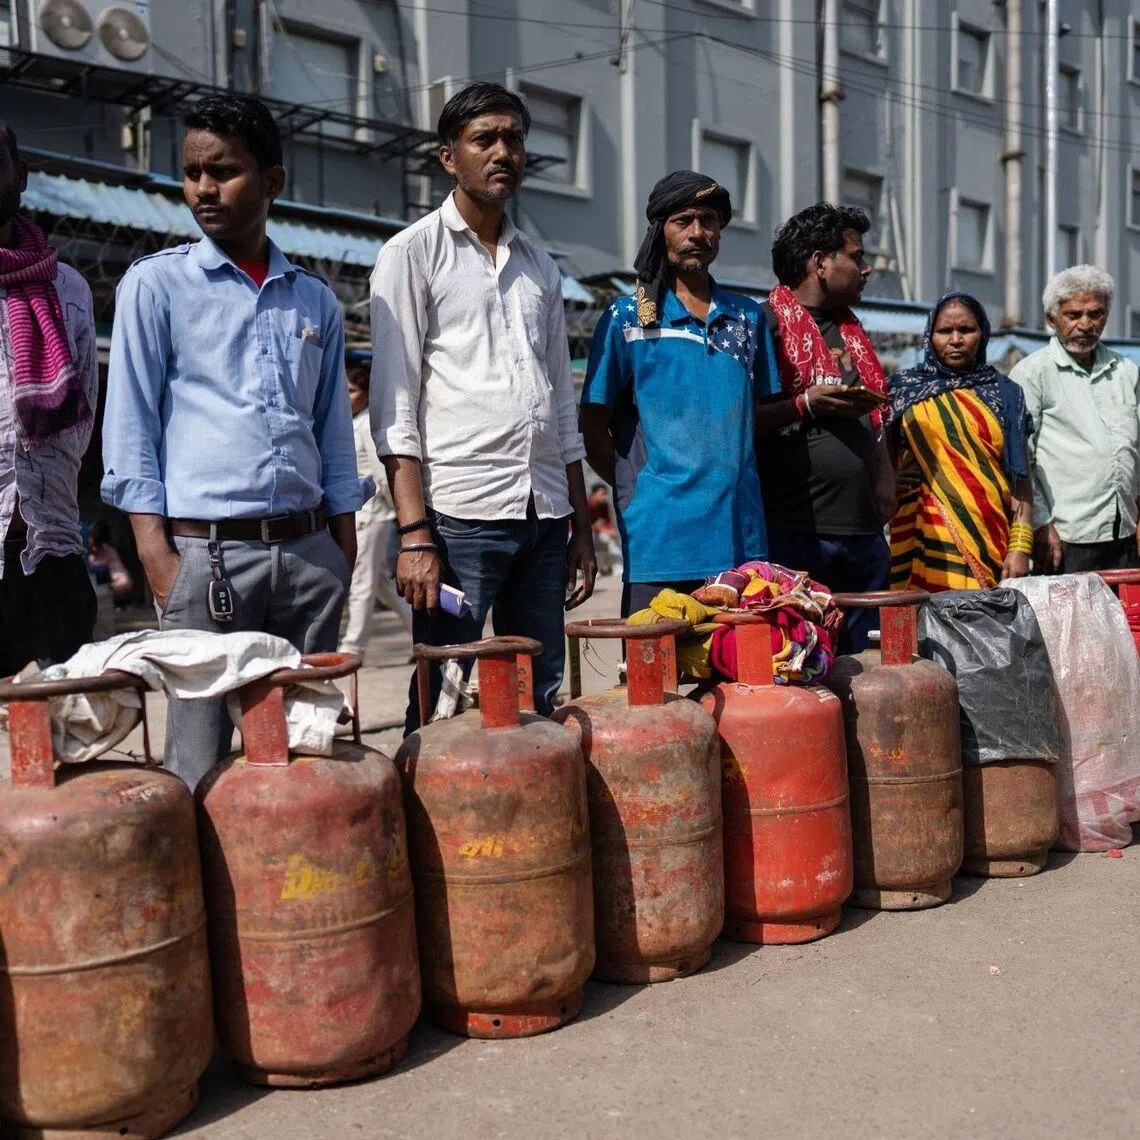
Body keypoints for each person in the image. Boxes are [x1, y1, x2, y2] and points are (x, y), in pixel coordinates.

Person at [101, 93, 360, 788]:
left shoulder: (314, 300)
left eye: (224, 171)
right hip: (204, 558)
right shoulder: (155, 287)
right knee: (196, 764)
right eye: (192, 173)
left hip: (308, 557)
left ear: (272, 181)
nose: (204, 190)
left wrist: (341, 543)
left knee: (305, 755)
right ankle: (207, 898)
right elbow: (130, 429)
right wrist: (158, 558)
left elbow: (333, 427)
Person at [369, 82, 595, 730]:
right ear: (449, 157)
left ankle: (532, 830)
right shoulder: (411, 255)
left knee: (537, 697)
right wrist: (415, 536)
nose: (503, 152)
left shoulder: (540, 268)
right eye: (484, 139)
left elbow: (562, 408)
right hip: (461, 518)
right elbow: (394, 407)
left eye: (514, 139)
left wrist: (578, 523)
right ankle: (434, 829)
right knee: (441, 702)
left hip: (544, 513)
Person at [580, 170, 778, 616]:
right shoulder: (627, 317)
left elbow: (757, 420)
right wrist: (638, 487)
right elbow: (591, 422)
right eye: (682, 221)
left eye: (708, 221)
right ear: (660, 230)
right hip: (659, 537)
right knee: (657, 678)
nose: (697, 233)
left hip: (739, 537)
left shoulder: (747, 319)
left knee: (739, 677)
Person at [756, 202, 894, 653]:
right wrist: (803, 404)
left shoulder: (852, 333)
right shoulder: (763, 326)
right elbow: (739, 422)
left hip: (864, 536)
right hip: (795, 534)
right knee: (800, 662)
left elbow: (874, 417)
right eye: (855, 256)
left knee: (869, 669)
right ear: (820, 262)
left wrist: (884, 474)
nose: (866, 268)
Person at [0, 120, 98, 675]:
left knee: (66, 745)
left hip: (51, 554)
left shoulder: (69, 288)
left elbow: (83, 414)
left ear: (21, 175)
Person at [887, 293, 1034, 591]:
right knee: (917, 629)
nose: (955, 340)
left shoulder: (1007, 395)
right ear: (930, 336)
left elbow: (1021, 479)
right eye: (945, 331)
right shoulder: (901, 390)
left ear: (983, 334)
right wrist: (893, 480)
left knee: (980, 630)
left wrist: (1021, 546)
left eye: (966, 330)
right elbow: (881, 458)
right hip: (918, 533)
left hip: (988, 534)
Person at [1009, 265, 1140, 573]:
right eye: (1073, 315)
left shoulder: (1126, 371)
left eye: (1095, 314)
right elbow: (1020, 458)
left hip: (1123, 533)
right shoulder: (1032, 373)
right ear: (1052, 319)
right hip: (1064, 539)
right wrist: (1041, 523)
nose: (1085, 324)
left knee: (1125, 621)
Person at [339, 347, 411, 663]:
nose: (348, 396)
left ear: (367, 392)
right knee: (381, 584)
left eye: (353, 390)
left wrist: (395, 512)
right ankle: (420, 633)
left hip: (373, 514)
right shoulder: (352, 422)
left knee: (361, 582)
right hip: (359, 515)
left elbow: (381, 476)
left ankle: (353, 647)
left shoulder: (368, 422)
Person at [87, 518, 134, 601]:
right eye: (92, 541)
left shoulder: (108, 552)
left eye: (97, 543)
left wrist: (111, 586)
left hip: (102, 594)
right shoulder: (78, 551)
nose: (94, 548)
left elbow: (124, 582)